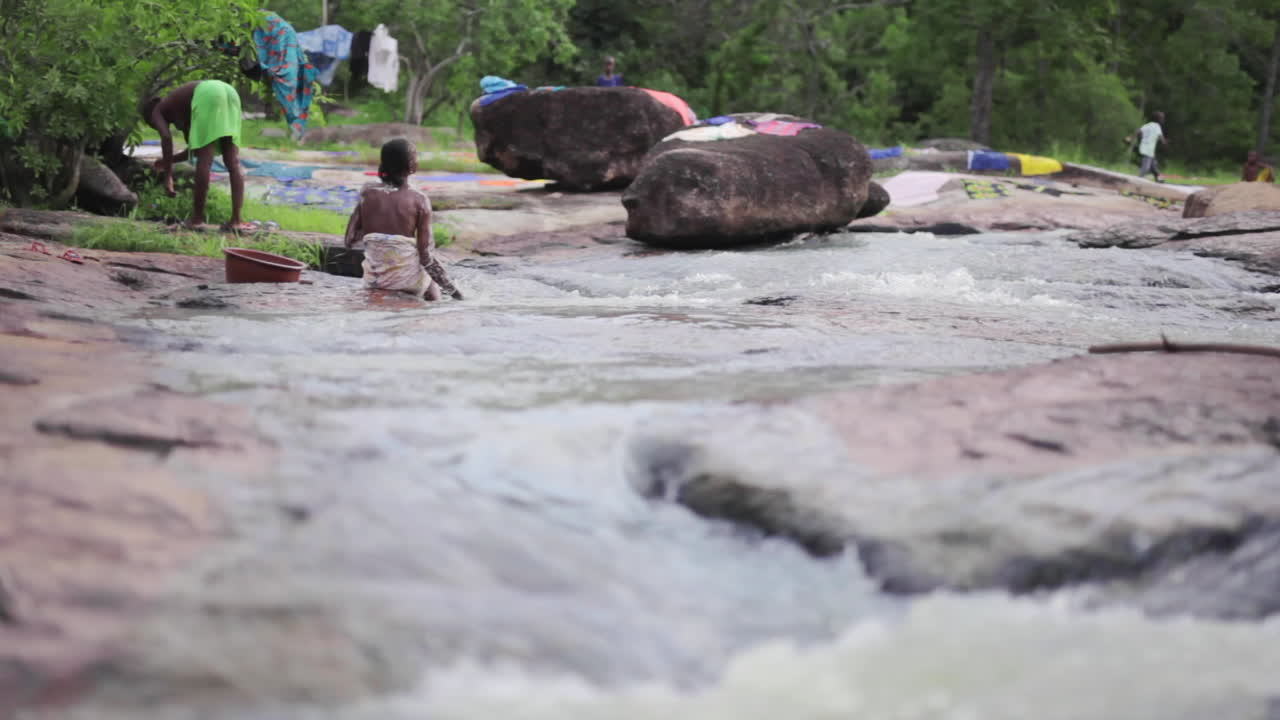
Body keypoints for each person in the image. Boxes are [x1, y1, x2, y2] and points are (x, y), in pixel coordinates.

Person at [344, 139, 462, 301]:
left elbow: (349, 240)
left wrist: (381, 242)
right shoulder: (419, 200)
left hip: (374, 281)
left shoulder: (367, 194)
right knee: (432, 284)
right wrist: (456, 294)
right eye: (415, 158)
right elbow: (426, 257)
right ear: (412, 167)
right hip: (408, 282)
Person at [144, 80, 252, 232]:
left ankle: (197, 219)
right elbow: (193, 150)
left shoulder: (156, 111)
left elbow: (166, 138)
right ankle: (236, 220)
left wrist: (167, 176)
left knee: (205, 160)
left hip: (208, 94)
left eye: (153, 125)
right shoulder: (183, 109)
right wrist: (170, 161)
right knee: (232, 162)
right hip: (229, 91)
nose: (158, 125)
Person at [1125, 111, 1168, 183]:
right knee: (1146, 167)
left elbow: (1138, 131)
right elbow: (1161, 138)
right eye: (1162, 118)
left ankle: (1159, 179)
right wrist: (1165, 142)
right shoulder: (1157, 127)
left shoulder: (1147, 125)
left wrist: (1130, 138)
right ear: (1158, 119)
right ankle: (1136, 181)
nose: (1163, 120)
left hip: (1144, 147)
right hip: (1149, 150)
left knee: (1154, 166)